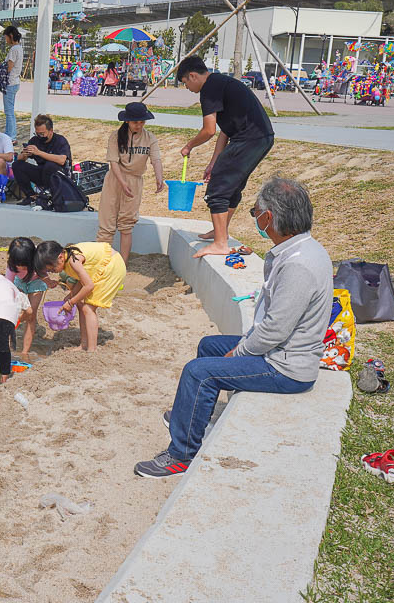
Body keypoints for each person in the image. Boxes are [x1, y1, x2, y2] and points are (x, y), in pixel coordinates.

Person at [135, 178, 330, 477]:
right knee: (209, 345)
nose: (255, 220)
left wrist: (238, 353)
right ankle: (194, 416)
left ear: (269, 217)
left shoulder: (299, 265)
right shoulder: (299, 249)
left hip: (286, 367)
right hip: (281, 351)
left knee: (197, 372)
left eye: (255, 213)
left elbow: (275, 331)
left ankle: (180, 455)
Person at [176, 55, 275, 258]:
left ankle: (221, 243)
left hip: (250, 139)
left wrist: (189, 146)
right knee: (231, 185)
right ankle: (220, 232)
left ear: (193, 76)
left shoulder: (209, 90)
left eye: (185, 83)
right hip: (260, 137)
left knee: (218, 189)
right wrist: (214, 162)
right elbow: (225, 131)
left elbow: (208, 130)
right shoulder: (221, 83)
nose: (187, 88)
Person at [98, 102, 165, 263]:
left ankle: (123, 263)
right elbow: (113, 162)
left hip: (135, 181)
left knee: (126, 225)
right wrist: (122, 183)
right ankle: (101, 262)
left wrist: (159, 178)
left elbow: (156, 159)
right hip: (115, 179)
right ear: (127, 121)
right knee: (107, 224)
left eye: (142, 122)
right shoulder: (115, 136)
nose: (139, 125)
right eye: (136, 122)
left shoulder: (150, 138)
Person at [36, 241, 126, 353]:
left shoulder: (73, 260)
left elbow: (89, 285)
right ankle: (83, 344)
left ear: (60, 257)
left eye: (52, 269)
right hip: (100, 267)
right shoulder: (66, 256)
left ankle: (92, 349)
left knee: (88, 309)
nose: (52, 272)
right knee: (80, 304)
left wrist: (70, 302)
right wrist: (72, 295)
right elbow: (82, 278)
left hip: (111, 266)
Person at [5, 237, 58, 362]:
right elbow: (8, 286)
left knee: (31, 315)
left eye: (24, 265)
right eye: (18, 265)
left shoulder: (37, 260)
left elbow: (42, 273)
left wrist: (49, 282)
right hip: (20, 283)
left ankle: (25, 351)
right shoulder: (12, 266)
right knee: (15, 312)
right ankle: (7, 346)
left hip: (37, 283)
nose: (20, 267)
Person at [12, 114, 72, 206]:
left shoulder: (60, 140)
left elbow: (62, 160)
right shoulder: (35, 140)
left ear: (51, 131)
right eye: (37, 133)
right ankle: (31, 196)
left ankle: (48, 196)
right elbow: (20, 159)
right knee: (17, 165)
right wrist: (25, 154)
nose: (40, 136)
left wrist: (39, 153)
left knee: (50, 165)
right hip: (42, 173)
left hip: (58, 176)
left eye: (42, 134)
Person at [1, 26, 23, 142]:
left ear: (10, 36)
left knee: (9, 112)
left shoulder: (14, 49)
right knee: (10, 110)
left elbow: (9, 67)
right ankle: (9, 134)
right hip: (15, 82)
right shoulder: (19, 48)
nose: (6, 40)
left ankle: (11, 136)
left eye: (6, 37)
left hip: (10, 83)